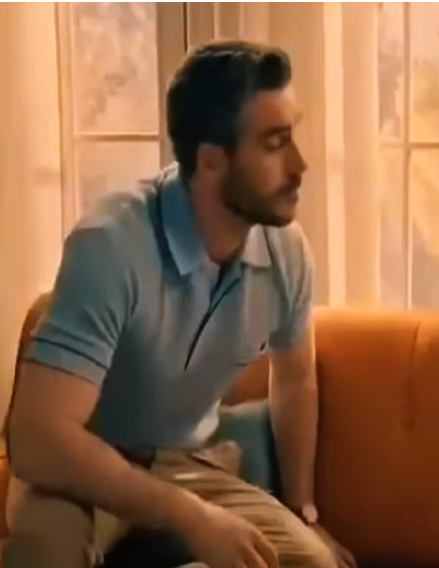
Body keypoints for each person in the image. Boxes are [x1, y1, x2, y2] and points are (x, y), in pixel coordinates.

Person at [3, 40, 356, 568]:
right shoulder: (111, 245)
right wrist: (189, 517)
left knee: (314, 564)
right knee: (44, 556)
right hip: (82, 469)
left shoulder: (286, 251)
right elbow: (37, 439)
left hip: (191, 466)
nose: (300, 165)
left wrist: (303, 510)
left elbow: (295, 378)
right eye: (275, 144)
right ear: (211, 161)